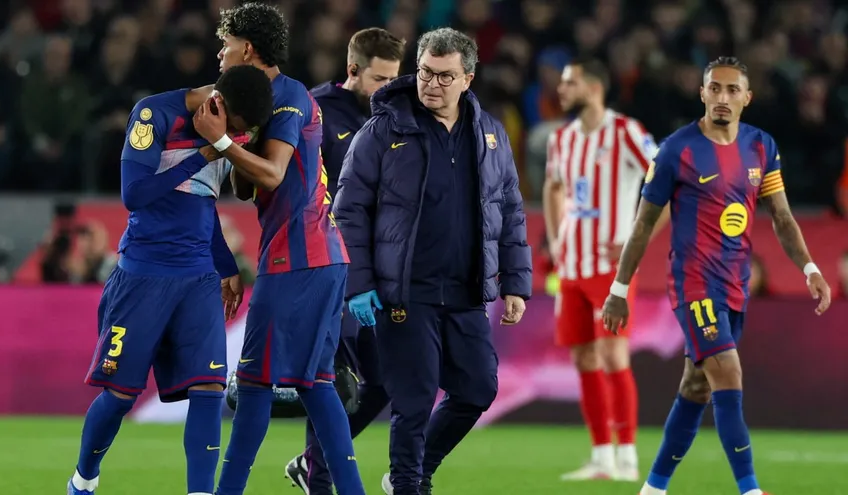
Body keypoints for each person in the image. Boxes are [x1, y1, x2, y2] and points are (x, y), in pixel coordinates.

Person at [600, 56, 832, 495]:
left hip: (735, 283)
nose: (722, 97)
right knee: (727, 369)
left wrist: (810, 267)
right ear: (702, 93)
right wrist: (619, 288)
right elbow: (644, 223)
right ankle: (750, 489)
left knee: (696, 385)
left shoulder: (762, 147)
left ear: (747, 98)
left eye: (732, 90)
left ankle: (652, 488)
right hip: (693, 282)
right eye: (715, 88)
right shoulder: (676, 149)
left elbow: (781, 217)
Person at [333, 27, 532, 495]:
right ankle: (407, 484)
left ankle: (418, 469)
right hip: (404, 291)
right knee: (414, 400)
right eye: (425, 72)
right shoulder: (384, 128)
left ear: (468, 78)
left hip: (465, 290)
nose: (431, 84)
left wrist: (516, 282)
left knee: (478, 389)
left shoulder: (491, 134)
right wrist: (359, 283)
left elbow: (509, 209)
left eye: (444, 77)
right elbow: (349, 209)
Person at [67, 65, 274, 495]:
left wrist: (226, 265)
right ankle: (84, 478)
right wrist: (202, 155)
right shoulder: (153, 115)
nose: (233, 136)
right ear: (217, 102)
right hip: (143, 274)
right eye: (233, 127)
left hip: (198, 277)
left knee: (209, 390)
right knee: (120, 396)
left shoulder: (225, 134)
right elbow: (133, 194)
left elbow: (203, 204)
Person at [195, 3, 365, 495]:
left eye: (225, 47)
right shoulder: (269, 99)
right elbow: (253, 188)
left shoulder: (287, 96)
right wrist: (239, 138)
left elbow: (270, 172)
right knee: (317, 385)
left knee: (252, 384)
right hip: (316, 254)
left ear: (247, 49)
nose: (220, 56)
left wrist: (223, 140)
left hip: (298, 255)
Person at [285, 27, 405, 495]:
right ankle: (320, 483)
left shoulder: (399, 114)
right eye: (380, 79)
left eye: (395, 78)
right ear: (352, 70)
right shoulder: (314, 111)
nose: (389, 88)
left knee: (385, 380)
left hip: (373, 271)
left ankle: (311, 462)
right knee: (330, 380)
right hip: (322, 265)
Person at [542, 56, 666, 482]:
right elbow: (553, 187)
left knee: (613, 355)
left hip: (611, 269)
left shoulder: (626, 132)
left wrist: (639, 237)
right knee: (583, 358)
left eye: (569, 83)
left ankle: (628, 454)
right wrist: (557, 240)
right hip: (572, 267)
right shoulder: (563, 139)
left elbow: (667, 183)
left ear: (594, 87)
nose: (561, 90)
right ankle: (601, 455)